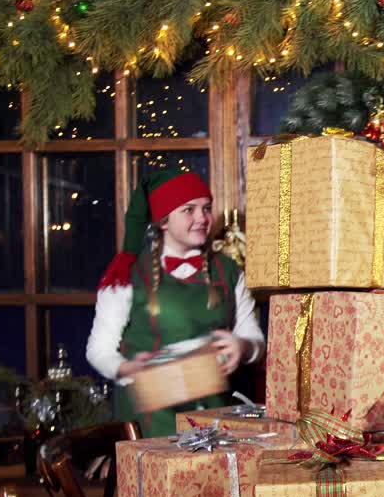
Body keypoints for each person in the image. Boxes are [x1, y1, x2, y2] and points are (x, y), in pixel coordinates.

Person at [86, 170, 265, 436]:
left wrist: (243, 345)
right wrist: (126, 367)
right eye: (188, 210)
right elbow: (98, 349)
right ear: (164, 220)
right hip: (149, 424)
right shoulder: (128, 274)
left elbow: (255, 340)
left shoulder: (228, 270)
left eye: (206, 209)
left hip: (215, 420)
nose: (202, 219)